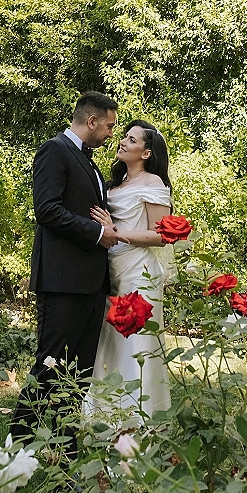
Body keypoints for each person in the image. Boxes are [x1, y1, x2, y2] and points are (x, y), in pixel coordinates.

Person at [9, 91, 120, 460]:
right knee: (50, 366)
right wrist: (97, 234)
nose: (110, 134)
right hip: (62, 283)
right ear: (91, 122)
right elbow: (48, 210)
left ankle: (64, 452)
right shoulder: (54, 150)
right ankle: (17, 451)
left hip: (91, 284)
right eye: (107, 126)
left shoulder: (90, 162)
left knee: (78, 374)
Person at [84, 119, 172, 421]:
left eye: (132, 140)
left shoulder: (153, 184)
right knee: (108, 346)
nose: (122, 142)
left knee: (136, 347)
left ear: (146, 153)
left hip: (139, 274)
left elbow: (161, 235)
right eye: (124, 137)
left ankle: (139, 423)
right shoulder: (114, 184)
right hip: (110, 272)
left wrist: (115, 231)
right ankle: (104, 420)